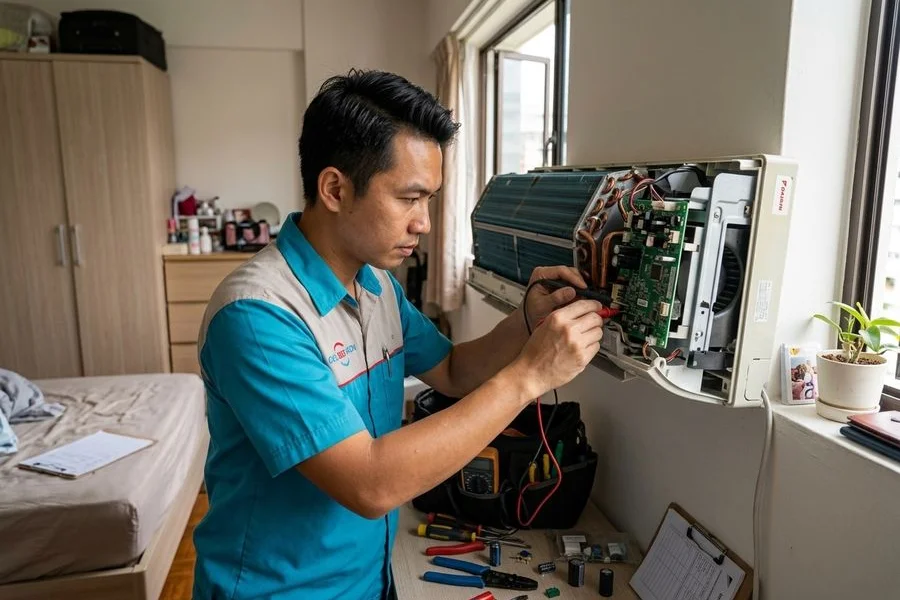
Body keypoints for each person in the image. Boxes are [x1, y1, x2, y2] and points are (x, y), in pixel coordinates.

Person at [191, 68, 605, 600]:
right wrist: (529, 377)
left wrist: (526, 323)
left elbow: (452, 371)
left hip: (370, 578)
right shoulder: (257, 316)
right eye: (409, 198)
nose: (424, 223)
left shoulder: (377, 285)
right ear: (335, 189)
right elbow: (370, 483)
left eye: (429, 199)